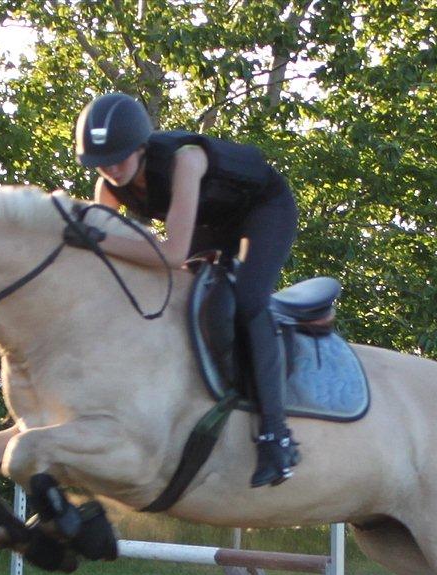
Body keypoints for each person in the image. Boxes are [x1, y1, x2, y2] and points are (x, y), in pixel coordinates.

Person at [71, 92, 300, 488]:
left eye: (119, 158)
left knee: (247, 301)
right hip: (212, 221)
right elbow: (105, 258)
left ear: (141, 147)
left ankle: (277, 436)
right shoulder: (109, 187)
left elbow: (172, 253)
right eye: (101, 163)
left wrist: (96, 241)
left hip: (263, 209)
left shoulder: (185, 160)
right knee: (187, 301)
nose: (111, 169)